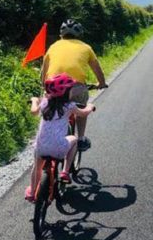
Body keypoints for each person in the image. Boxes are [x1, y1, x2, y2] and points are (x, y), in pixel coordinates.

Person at [25, 73, 96, 202]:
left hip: (41, 147)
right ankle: (65, 171)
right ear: (67, 92)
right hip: (58, 148)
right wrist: (90, 107)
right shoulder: (69, 106)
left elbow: (33, 111)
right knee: (74, 139)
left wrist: (35, 100)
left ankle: (32, 191)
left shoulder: (45, 103)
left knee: (37, 168)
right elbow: (83, 113)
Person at [41, 19, 107, 151]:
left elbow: (44, 71)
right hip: (76, 88)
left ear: (61, 33)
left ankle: (46, 137)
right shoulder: (86, 47)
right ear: (79, 33)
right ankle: (81, 139)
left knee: (51, 109)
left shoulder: (53, 47)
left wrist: (44, 87)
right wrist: (101, 83)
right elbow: (97, 68)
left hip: (53, 88)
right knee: (80, 110)